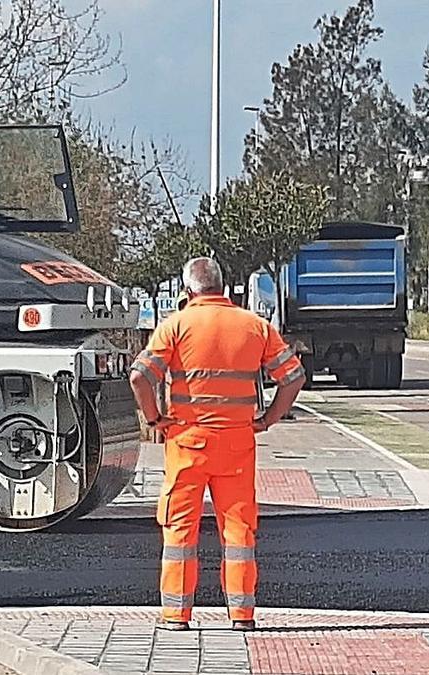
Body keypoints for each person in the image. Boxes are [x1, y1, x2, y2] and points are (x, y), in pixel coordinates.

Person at [128, 257, 305, 632]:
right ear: (222, 287)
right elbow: (293, 376)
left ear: (188, 290)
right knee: (239, 529)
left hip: (186, 443)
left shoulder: (175, 326)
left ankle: (176, 615)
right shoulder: (254, 326)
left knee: (179, 529)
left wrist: (156, 418)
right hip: (237, 444)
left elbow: (140, 377)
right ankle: (242, 615)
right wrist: (268, 419)